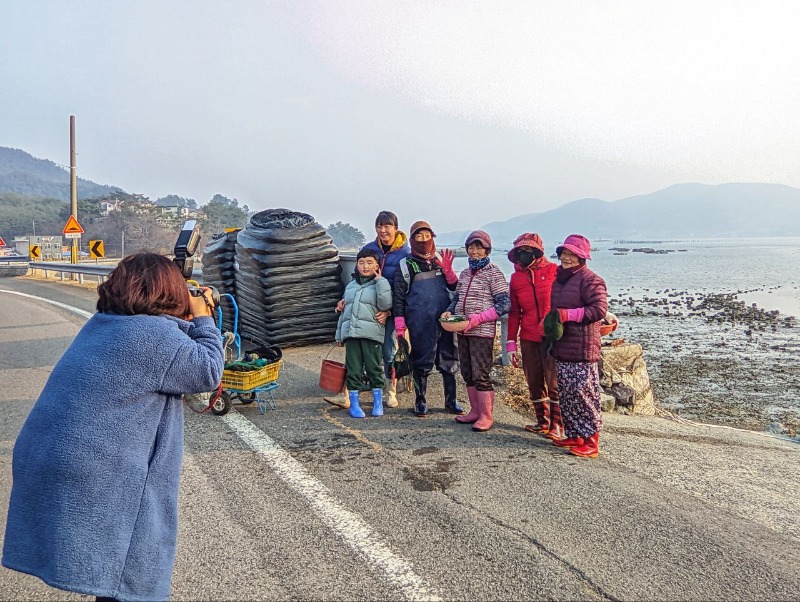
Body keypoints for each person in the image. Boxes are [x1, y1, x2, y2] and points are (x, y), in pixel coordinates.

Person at [2, 253, 225, 601]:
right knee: (135, 568)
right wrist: (204, 316)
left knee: (114, 563)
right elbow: (208, 371)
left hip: (48, 454)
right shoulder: (152, 334)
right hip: (96, 468)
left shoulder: (103, 323)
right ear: (169, 292)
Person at [326, 211, 410, 409]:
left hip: (388, 312)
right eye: (379, 226)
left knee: (388, 351)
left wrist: (390, 312)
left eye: (387, 226)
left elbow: (406, 287)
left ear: (395, 228)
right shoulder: (369, 249)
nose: (383, 230)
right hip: (364, 309)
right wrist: (345, 300)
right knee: (355, 350)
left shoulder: (404, 254)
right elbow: (356, 280)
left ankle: (390, 391)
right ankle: (345, 393)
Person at [393, 221, 463, 417]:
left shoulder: (440, 259)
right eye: (418, 237)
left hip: (446, 319)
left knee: (449, 360)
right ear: (412, 239)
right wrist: (400, 323)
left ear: (432, 237)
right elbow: (398, 296)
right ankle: (420, 401)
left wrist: (449, 273)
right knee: (422, 361)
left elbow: (454, 290)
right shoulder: (406, 265)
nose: (423, 240)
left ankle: (451, 401)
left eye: (427, 236)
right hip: (420, 321)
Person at [547, 234, 608, 458]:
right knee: (567, 392)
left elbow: (599, 310)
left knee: (584, 394)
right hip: (563, 344)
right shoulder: (559, 280)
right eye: (564, 253)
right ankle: (574, 434)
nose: (567, 258)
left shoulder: (591, 280)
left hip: (583, 347)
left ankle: (592, 440)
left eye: (573, 254)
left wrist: (569, 315)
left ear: (582, 257)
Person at [443, 230, 510, 431]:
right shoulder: (464, 273)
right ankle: (474, 411)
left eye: (478, 247)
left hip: (482, 331)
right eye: (471, 247)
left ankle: (486, 415)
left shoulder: (494, 273)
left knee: (481, 372)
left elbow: (504, 304)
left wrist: (479, 318)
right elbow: (456, 298)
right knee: (467, 371)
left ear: (487, 250)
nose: (474, 251)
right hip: (463, 329)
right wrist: (448, 312)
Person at [505, 232, 562, 438]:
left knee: (554, 381)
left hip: (552, 336)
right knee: (534, 380)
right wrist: (510, 342)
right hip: (528, 336)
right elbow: (514, 312)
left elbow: (569, 298)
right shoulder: (516, 278)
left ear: (537, 252)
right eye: (520, 251)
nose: (524, 255)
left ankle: (557, 425)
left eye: (528, 251)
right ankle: (542, 421)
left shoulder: (555, 271)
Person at [335, 247, 393, 418]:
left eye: (369, 263)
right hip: (352, 335)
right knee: (353, 369)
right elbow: (345, 313)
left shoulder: (381, 284)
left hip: (371, 334)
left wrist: (381, 280)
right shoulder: (351, 286)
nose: (365, 266)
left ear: (377, 265)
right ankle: (354, 404)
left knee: (374, 368)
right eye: (361, 263)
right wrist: (339, 335)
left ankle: (377, 403)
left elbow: (385, 305)